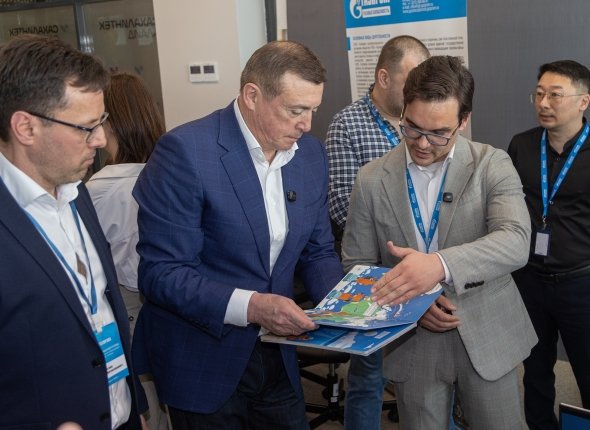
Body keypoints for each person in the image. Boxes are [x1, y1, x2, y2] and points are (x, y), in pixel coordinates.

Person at [131, 40, 345, 429]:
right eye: (295, 110)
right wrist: (253, 307)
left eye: (313, 110)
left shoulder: (310, 155)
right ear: (252, 96)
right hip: (204, 358)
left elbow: (317, 252)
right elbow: (162, 273)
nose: (307, 124)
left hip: (278, 356)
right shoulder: (186, 152)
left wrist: (347, 308)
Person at [341, 55, 537, 429]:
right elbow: (356, 265)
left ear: (463, 121)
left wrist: (437, 266)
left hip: (487, 335)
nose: (423, 143)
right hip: (413, 343)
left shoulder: (491, 164)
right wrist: (411, 302)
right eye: (412, 128)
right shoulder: (371, 179)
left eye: (438, 133)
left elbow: (515, 240)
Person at [0, 35, 146, 428]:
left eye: (102, 123)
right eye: (86, 128)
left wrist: (133, 405)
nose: (100, 140)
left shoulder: (77, 190)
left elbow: (105, 310)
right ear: (26, 127)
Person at [325, 35, 430, 430]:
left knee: (432, 372)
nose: (418, 90)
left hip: (427, 268)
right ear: (384, 77)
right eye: (411, 80)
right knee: (369, 374)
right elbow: (341, 205)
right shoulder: (347, 125)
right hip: (376, 271)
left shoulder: (424, 120)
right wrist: (398, 239)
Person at [508, 60, 590, 430]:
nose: (544, 103)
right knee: (536, 372)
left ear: (583, 101)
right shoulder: (522, 145)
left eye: (555, 95)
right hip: (529, 281)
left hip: (580, 284)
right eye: (539, 94)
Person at [86, 71, 170, 429]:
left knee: (143, 399)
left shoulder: (97, 189)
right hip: (171, 300)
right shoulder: (170, 172)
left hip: (128, 304)